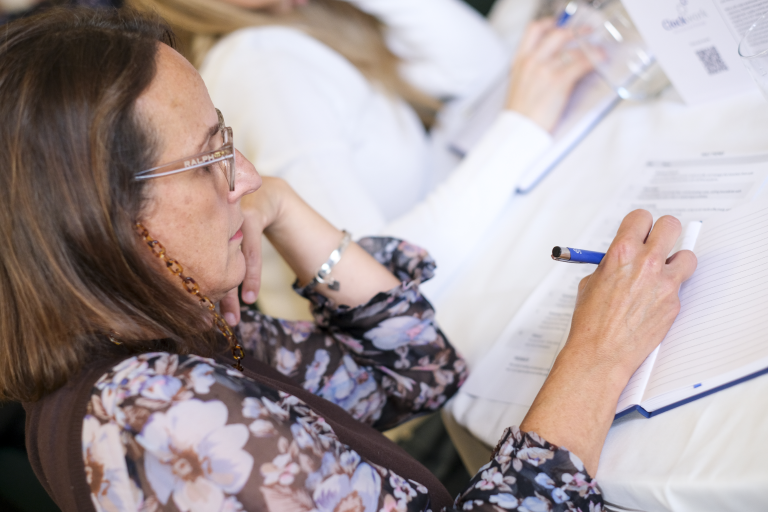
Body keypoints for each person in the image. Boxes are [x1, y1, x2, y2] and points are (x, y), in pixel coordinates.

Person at [0, 8, 697, 512]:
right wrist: (598, 358)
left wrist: (281, 206)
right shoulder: (161, 411)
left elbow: (416, 371)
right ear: (105, 219)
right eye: (211, 156)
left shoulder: (169, 327)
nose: (243, 174)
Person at [127, 0, 594, 320]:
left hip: (471, 271)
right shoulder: (261, 64)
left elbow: (477, 69)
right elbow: (381, 281)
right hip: (433, 337)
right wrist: (522, 126)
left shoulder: (296, 22)